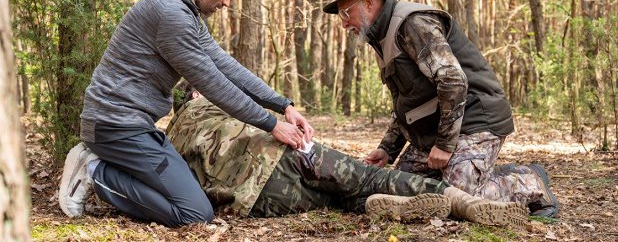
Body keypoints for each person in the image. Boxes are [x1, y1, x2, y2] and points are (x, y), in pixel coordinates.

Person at [58, 0, 314, 227]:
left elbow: (225, 66)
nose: (227, 3)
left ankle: (104, 163)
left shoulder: (185, 12)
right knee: (194, 213)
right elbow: (213, 83)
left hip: (128, 125)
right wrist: (271, 124)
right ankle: (94, 172)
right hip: (115, 126)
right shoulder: (170, 13)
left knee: (188, 193)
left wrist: (283, 105)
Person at [321, 0, 559, 218]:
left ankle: (531, 183)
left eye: (345, 13)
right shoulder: (381, 38)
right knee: (401, 188)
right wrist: (387, 150)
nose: (344, 23)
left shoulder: (412, 24)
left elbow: (453, 81)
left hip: (476, 118)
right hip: (436, 127)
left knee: (459, 193)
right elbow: (406, 103)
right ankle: (469, 171)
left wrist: (445, 146)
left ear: (369, 2)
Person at [165, 80, 529, 227]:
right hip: (281, 159)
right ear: (198, 93)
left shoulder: (170, 139)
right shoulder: (215, 104)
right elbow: (249, 112)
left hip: (256, 203)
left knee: (339, 200)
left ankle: (377, 206)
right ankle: (465, 204)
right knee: (367, 177)